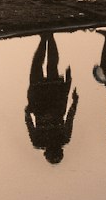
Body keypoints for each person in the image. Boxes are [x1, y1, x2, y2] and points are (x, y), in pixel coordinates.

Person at [24, 31, 78, 164]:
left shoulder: (63, 139)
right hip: (40, 102)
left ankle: (49, 37)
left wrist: (74, 101)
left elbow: (70, 118)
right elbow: (29, 124)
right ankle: (45, 38)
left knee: (51, 66)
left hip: (54, 99)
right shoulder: (38, 142)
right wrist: (27, 113)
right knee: (38, 66)